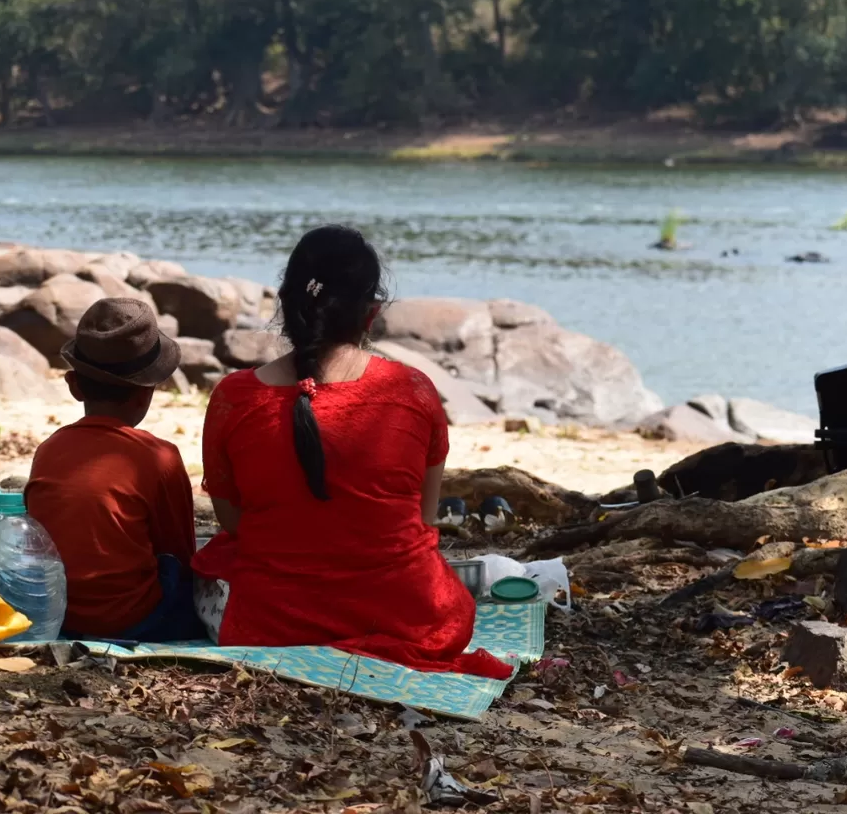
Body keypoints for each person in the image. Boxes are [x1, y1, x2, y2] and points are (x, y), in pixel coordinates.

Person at [194, 225, 511, 680]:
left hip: (270, 624)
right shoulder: (413, 390)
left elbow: (233, 521)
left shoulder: (235, 397)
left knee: (211, 557)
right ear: (371, 311)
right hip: (412, 618)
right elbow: (422, 519)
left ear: (286, 304)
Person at [26, 298, 201, 641]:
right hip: (135, 620)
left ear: (74, 385)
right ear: (145, 394)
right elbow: (179, 555)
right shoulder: (160, 457)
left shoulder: (48, 450)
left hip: (58, 614)